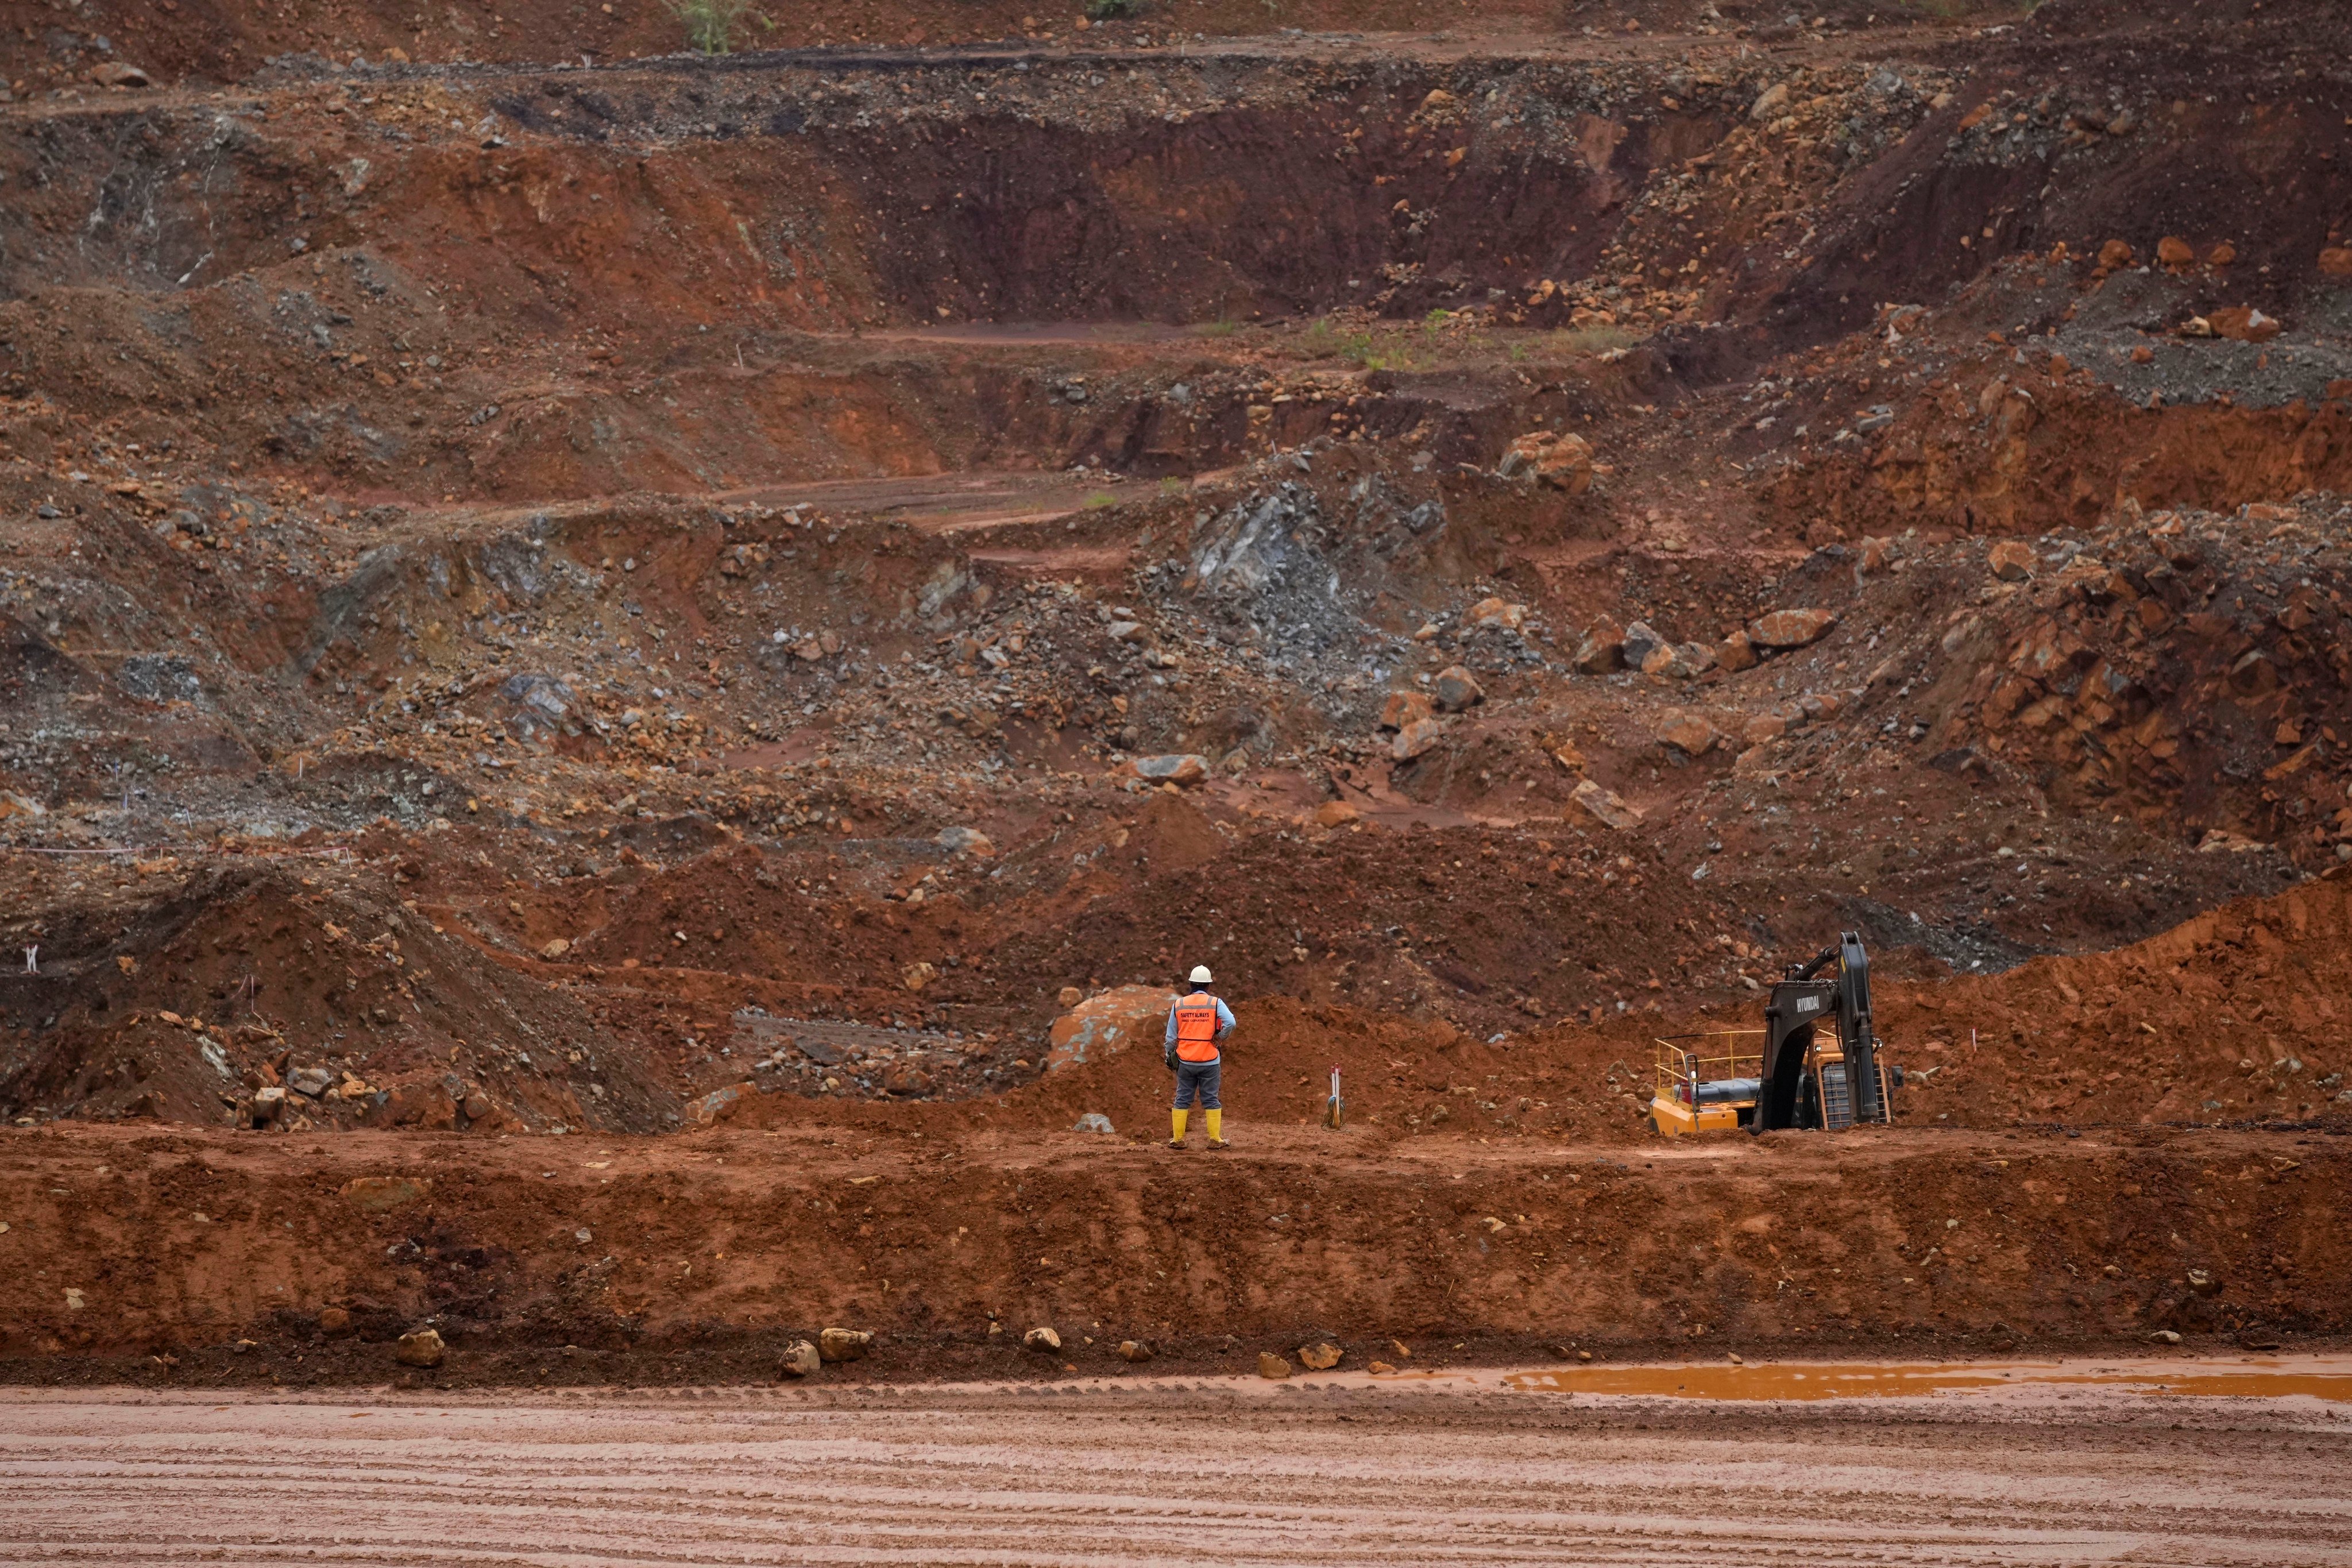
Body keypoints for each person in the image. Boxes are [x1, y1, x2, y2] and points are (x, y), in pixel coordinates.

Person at [1164, 964, 1234, 1149]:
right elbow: (1231, 1023)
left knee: (1182, 1098)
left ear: (1190, 984)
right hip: (1210, 1061)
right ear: (1208, 986)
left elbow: (1171, 1037)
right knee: (1211, 1099)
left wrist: (1168, 1055)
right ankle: (1214, 1139)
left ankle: (1178, 1140)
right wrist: (1220, 1038)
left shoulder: (1179, 1005)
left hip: (1185, 1061)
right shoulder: (1215, 1003)